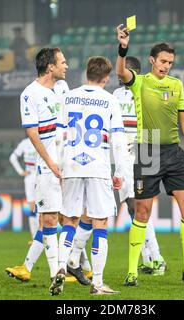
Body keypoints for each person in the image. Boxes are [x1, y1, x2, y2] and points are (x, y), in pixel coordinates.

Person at [116, 25, 184, 286]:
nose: (167, 66)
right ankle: (132, 270)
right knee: (143, 212)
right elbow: (121, 71)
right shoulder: (140, 81)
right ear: (152, 60)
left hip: (173, 151)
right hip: (148, 149)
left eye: (170, 62)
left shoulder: (176, 85)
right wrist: (123, 47)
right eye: (163, 61)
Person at [52, 56, 127, 295]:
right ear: (106, 78)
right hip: (98, 168)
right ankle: (97, 283)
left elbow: (58, 136)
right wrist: (121, 172)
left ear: (86, 74)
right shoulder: (110, 100)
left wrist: (60, 167)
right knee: (100, 223)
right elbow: (118, 140)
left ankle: (61, 268)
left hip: (71, 166)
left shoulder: (68, 97)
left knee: (70, 220)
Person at [7, 48, 68, 294]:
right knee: (50, 218)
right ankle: (56, 274)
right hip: (48, 168)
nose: (67, 65)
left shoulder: (63, 89)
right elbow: (32, 134)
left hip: (72, 165)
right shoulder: (29, 94)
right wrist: (51, 163)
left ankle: (75, 266)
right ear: (50, 67)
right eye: (63, 62)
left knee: (76, 217)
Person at [112, 56, 167, 276]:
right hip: (147, 149)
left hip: (131, 153)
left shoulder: (118, 95)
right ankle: (149, 258)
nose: (118, 76)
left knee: (135, 206)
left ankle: (157, 258)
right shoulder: (149, 90)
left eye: (121, 72)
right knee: (139, 207)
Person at [9, 138, 39, 239]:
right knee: (33, 207)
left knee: (40, 206)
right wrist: (21, 172)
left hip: (41, 175)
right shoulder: (25, 143)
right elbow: (12, 157)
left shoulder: (43, 139)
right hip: (31, 176)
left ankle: (41, 237)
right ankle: (35, 238)